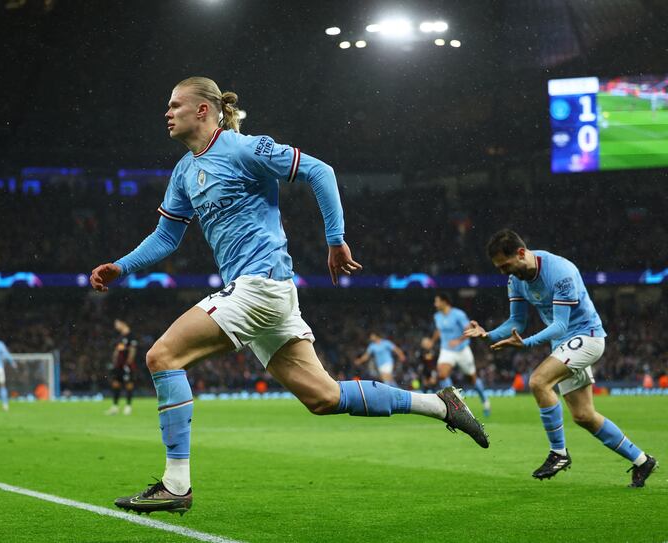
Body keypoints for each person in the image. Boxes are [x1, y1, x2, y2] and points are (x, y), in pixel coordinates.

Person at [90, 77, 488, 516]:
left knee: (162, 356)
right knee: (324, 398)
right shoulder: (185, 171)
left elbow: (321, 171)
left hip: (259, 285)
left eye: (175, 104)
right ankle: (441, 404)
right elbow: (167, 236)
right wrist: (121, 266)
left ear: (203, 110)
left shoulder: (244, 149)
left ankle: (176, 484)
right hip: (266, 294)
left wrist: (335, 240)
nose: (167, 113)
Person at [464, 229, 657, 487]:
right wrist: (487, 334)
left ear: (521, 253)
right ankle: (643, 461)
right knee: (584, 415)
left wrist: (528, 344)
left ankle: (559, 453)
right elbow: (516, 322)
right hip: (564, 344)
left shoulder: (560, 271)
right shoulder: (516, 279)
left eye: (506, 265)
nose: (503, 272)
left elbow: (561, 326)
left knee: (538, 381)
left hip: (587, 337)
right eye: (499, 268)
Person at [422, 293, 490, 416]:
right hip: (446, 350)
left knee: (472, 379)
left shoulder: (458, 314)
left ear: (444, 302)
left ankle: (485, 401)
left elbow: (469, 330)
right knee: (442, 374)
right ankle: (455, 403)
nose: (435, 304)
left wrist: (458, 340)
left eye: (437, 301)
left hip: (462, 350)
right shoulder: (437, 316)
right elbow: (439, 330)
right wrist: (432, 341)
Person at [106, 319, 138, 416]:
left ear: (123, 323)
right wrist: (115, 361)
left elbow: (132, 350)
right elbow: (117, 350)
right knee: (116, 383)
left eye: (117, 324)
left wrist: (128, 362)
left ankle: (128, 406)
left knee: (128, 384)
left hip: (126, 364)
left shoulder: (130, 336)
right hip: (118, 365)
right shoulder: (120, 337)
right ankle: (115, 407)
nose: (116, 326)